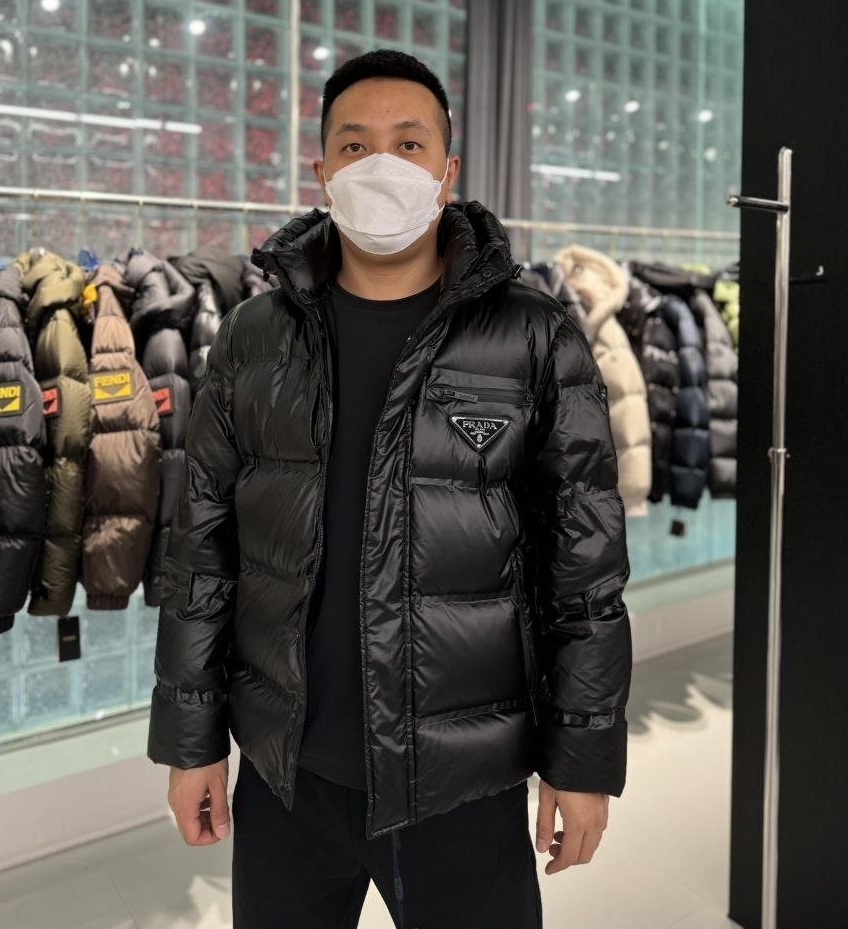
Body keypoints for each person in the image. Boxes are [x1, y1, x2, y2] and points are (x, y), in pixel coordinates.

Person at [147, 49, 633, 929]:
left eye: (409, 144)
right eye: (355, 144)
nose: (382, 165)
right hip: (288, 775)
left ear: (447, 171)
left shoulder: (533, 337)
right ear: (321, 171)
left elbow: (585, 568)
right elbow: (202, 553)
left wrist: (584, 758)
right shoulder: (256, 336)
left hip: (462, 778)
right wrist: (191, 741)